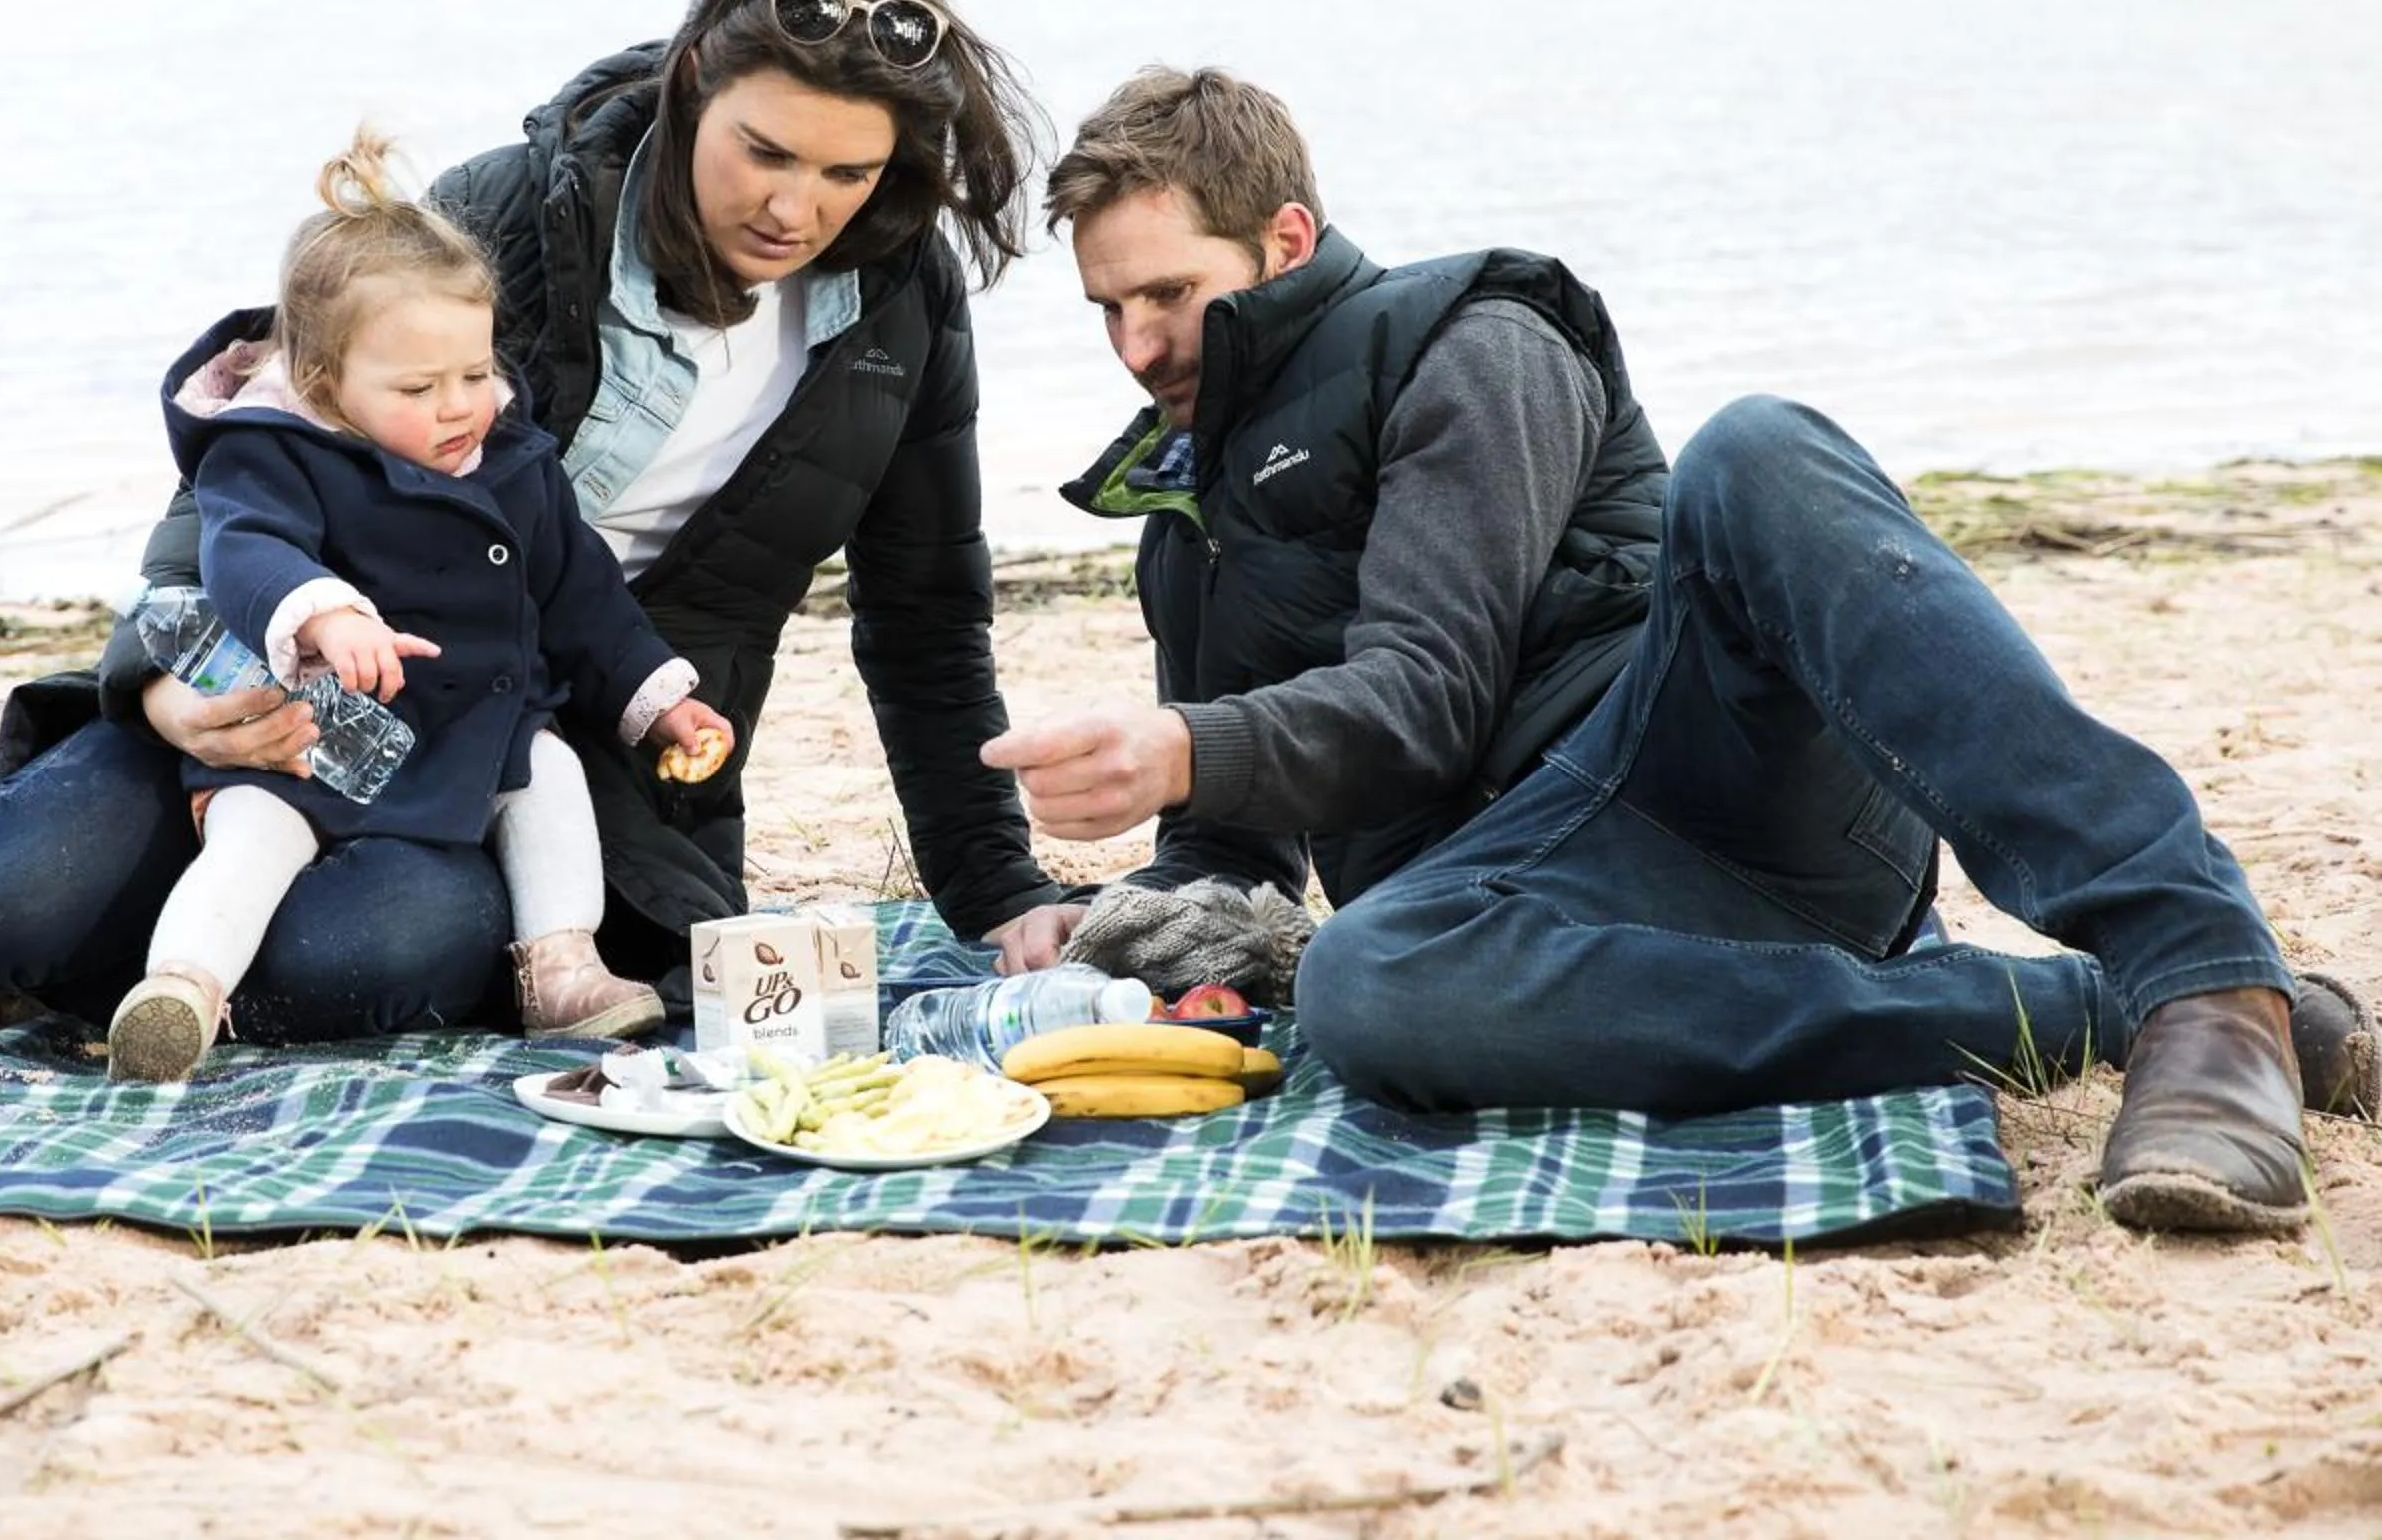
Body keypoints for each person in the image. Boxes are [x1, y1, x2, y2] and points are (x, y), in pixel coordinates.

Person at [981, 65, 2377, 1235]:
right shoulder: (1185, 522)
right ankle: (2072, 1012)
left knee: (1758, 450)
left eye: (1165, 292)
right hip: (1511, 915)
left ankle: (2199, 976)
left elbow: (1427, 696)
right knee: (1360, 987)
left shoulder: (1472, 343)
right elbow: (1249, 834)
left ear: (1284, 242)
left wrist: (1181, 747)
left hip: (1711, 787)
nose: (1135, 342)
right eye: (1106, 307)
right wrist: (1135, 909)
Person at [0, 0, 1067, 1045]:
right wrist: (170, 685)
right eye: (765, 151)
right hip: (311, 693)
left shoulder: (899, 310)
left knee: (373, 965)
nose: (794, 207)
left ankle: (114, 973)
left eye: (847, 176)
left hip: (570, 767)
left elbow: (928, 620)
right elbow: (229, 500)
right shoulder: (506, 217)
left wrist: (998, 892)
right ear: (694, 79)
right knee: (21, 886)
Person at [107, 129, 736, 1079]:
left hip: (478, 727)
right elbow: (243, 549)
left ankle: (562, 967)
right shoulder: (268, 454)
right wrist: (324, 612)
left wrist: (656, 699)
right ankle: (181, 993)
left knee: (550, 780)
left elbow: (584, 597)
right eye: (417, 387)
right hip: (311, 730)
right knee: (249, 838)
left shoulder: (516, 465)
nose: (459, 408)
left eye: (476, 375)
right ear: (325, 383)